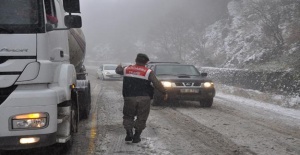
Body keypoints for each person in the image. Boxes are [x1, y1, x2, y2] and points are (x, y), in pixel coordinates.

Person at [116, 53, 168, 143]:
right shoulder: (148, 72)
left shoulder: (127, 69)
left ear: (136, 60)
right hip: (144, 98)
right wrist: (164, 92)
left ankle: (129, 132)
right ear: (146, 62)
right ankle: (137, 136)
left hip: (129, 97)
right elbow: (156, 83)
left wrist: (118, 66)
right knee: (142, 117)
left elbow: (118, 70)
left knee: (128, 116)